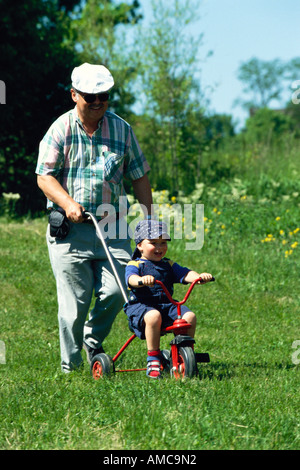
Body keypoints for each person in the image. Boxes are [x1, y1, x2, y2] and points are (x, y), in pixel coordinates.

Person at [36, 63, 153, 373]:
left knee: (119, 291)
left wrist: (147, 226)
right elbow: (44, 177)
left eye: (104, 95)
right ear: (75, 95)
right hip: (70, 231)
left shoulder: (122, 129)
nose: (98, 102)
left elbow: (139, 177)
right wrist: (67, 203)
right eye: (91, 96)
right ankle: (70, 368)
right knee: (73, 305)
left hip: (112, 227)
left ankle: (92, 342)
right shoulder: (60, 129)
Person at [123, 220, 213, 379]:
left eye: (163, 242)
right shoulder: (135, 264)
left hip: (167, 305)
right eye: (153, 243)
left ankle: (184, 354)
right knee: (153, 316)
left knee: (189, 317)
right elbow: (131, 279)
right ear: (139, 245)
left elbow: (184, 274)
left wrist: (198, 277)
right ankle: (153, 358)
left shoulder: (168, 264)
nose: (159, 247)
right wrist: (142, 281)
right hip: (142, 306)